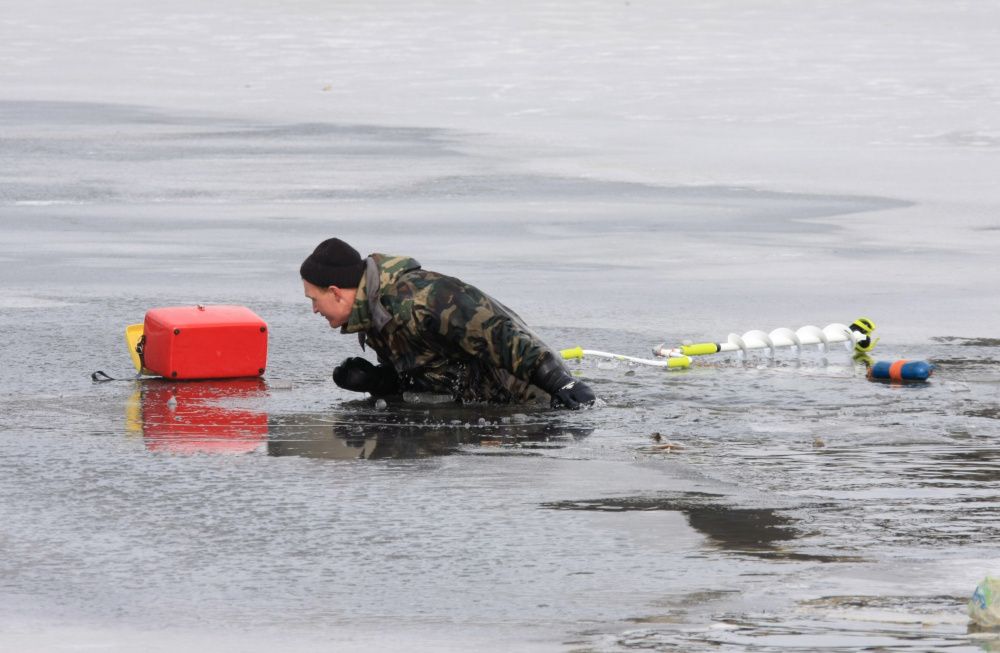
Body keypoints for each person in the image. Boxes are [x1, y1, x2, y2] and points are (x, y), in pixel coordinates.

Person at [300, 238, 596, 409]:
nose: (314, 309)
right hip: (476, 405)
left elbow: (498, 332)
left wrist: (561, 381)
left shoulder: (421, 298)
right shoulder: (375, 314)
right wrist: (377, 381)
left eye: (314, 299)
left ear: (336, 292)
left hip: (532, 400)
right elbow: (424, 370)